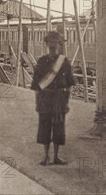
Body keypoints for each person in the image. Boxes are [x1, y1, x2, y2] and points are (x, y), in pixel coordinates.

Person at [30, 31, 75, 166]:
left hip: (59, 99)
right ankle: (46, 156)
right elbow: (37, 86)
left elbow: (69, 85)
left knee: (59, 128)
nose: (53, 45)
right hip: (45, 98)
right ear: (46, 44)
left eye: (55, 42)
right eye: (50, 42)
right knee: (44, 127)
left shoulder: (64, 61)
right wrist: (37, 103)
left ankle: (56, 156)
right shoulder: (42, 61)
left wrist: (66, 103)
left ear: (60, 45)